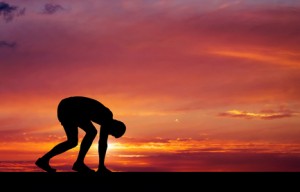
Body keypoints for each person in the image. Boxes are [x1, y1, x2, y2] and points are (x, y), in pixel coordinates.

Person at [35, 96, 126, 173]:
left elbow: (102, 141)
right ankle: (79, 163)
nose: (109, 134)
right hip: (71, 107)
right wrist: (101, 167)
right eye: (113, 133)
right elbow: (102, 142)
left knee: (72, 141)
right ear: (115, 126)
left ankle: (43, 160)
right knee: (91, 132)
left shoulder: (105, 118)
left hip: (65, 107)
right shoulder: (107, 116)